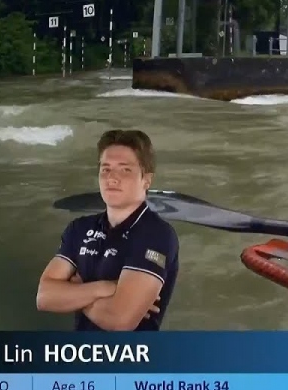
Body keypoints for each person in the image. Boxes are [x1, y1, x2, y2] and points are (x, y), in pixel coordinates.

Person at [36, 129, 180, 331]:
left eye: (125, 170)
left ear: (146, 180)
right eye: (106, 169)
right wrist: (104, 288)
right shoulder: (79, 228)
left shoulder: (157, 234)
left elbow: (120, 320)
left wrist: (76, 290)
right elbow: (44, 296)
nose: (112, 178)